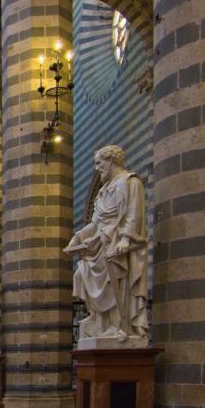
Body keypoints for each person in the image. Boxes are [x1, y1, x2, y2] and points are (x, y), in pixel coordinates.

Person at [65, 144, 149, 341]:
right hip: (101, 243)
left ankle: (121, 324)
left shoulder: (130, 182)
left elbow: (133, 213)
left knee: (118, 284)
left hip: (118, 244)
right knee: (81, 273)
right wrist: (78, 237)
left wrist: (126, 239)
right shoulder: (102, 192)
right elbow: (95, 224)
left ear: (111, 160)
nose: (97, 168)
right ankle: (101, 321)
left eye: (99, 163)